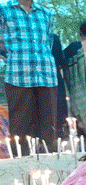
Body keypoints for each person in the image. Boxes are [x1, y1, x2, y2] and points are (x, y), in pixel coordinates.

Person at [0, 0, 58, 155]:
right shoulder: (3, 10)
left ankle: (49, 167)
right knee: (20, 127)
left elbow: (49, 43)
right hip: (18, 75)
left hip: (46, 75)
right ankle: (22, 170)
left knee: (48, 127)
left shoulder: (46, 13)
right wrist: (9, 57)